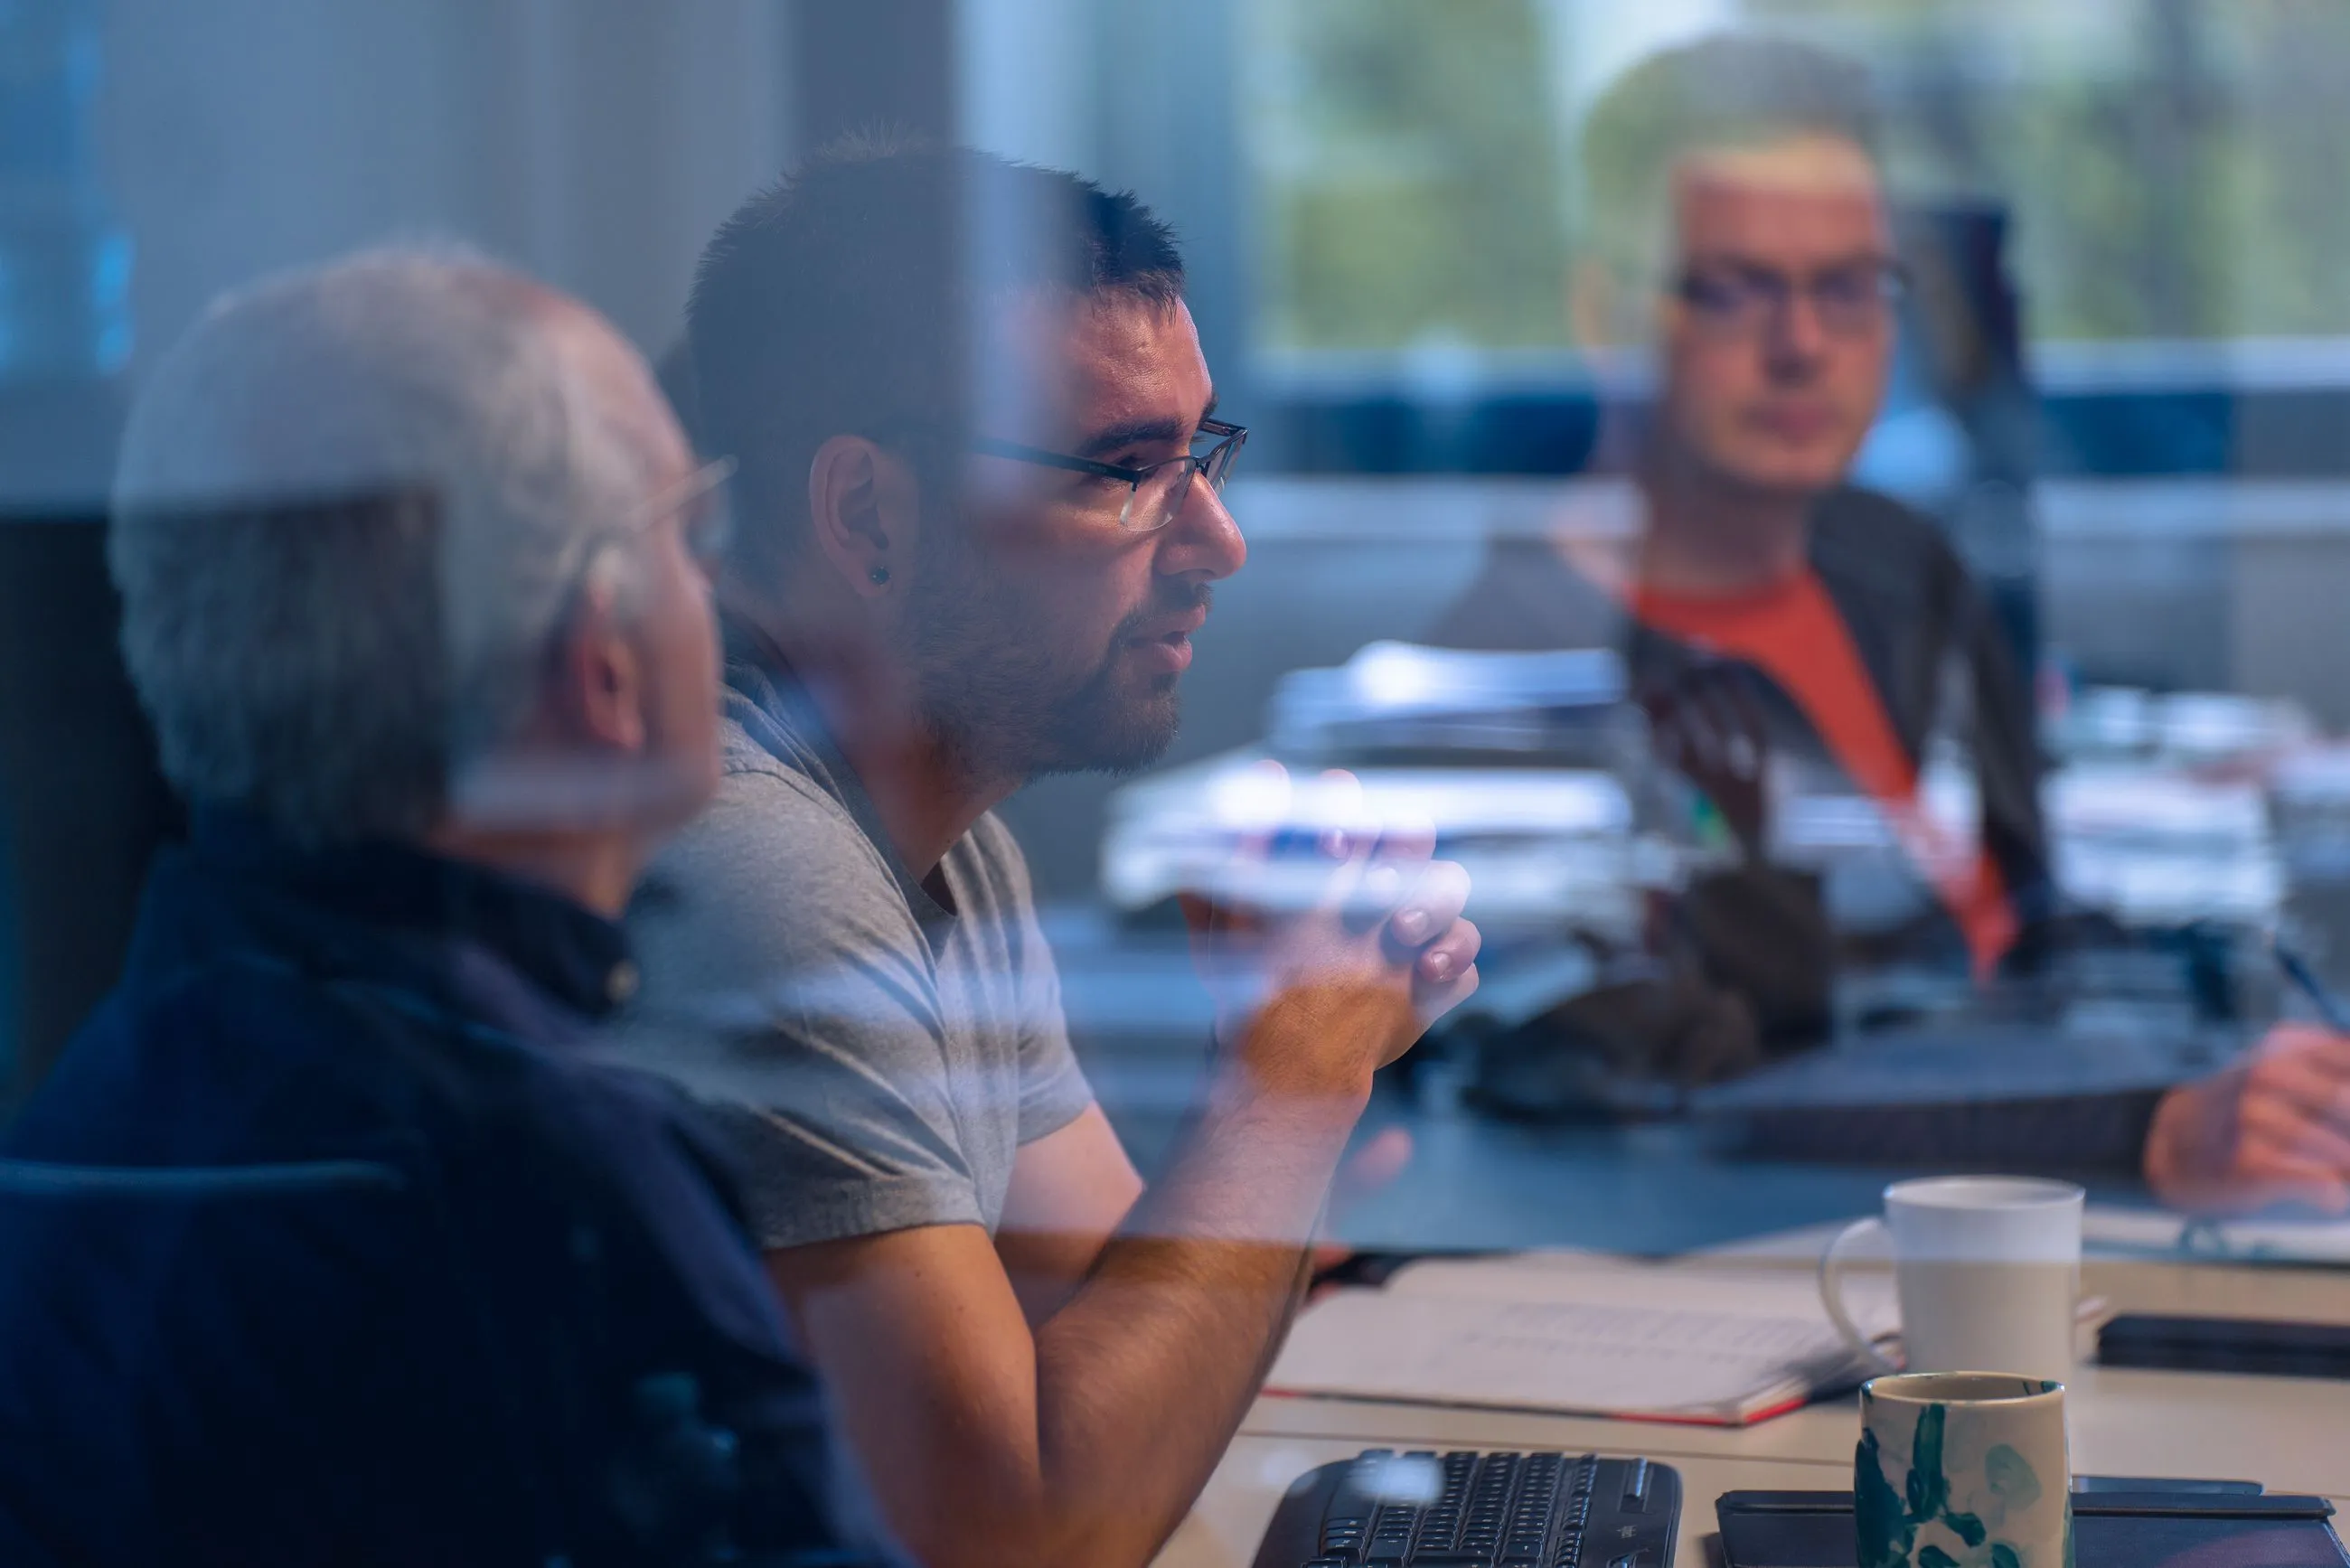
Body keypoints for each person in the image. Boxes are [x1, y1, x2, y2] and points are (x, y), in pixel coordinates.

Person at [613, 140, 1481, 1568]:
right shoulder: (746, 859)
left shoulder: (940, 827)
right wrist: (1297, 1072)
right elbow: (1030, 1538)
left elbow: (1114, 1341)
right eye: (1126, 470)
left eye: (1201, 452)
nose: (1219, 539)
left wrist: (1285, 1077)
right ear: (870, 515)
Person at [0, 251, 898, 1566]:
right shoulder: (560, 1172)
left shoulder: (75, 1117)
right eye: (689, 539)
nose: (717, 593)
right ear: (601, 660)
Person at [1429, 34, 2350, 1214]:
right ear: (1611, 313)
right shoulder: (1521, 668)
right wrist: (2143, 1126)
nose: (1805, 345)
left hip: (2056, 1199)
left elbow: (2017, 920)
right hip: (1805, 1249)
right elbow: (1694, 1091)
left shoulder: (1896, 562)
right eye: (1736, 288)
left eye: (1849, 286)